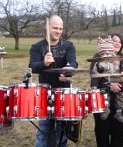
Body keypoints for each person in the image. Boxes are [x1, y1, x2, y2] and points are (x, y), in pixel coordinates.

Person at [29, 15, 78, 147]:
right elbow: (32, 66)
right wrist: (44, 63)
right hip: (45, 92)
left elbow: (73, 62)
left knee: (62, 129)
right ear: (47, 27)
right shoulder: (37, 47)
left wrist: (67, 72)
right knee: (44, 128)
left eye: (60, 28)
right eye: (55, 28)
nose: (58, 31)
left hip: (64, 92)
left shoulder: (68, 45)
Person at [90, 33, 123, 147]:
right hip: (102, 101)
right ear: (109, 43)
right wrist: (102, 86)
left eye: (119, 42)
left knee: (118, 134)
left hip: (121, 101)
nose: (117, 43)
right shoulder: (98, 57)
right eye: (114, 40)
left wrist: (119, 85)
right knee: (101, 133)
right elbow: (94, 75)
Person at [91, 35, 123, 122]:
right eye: (103, 53)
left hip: (118, 81)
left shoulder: (120, 59)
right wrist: (94, 86)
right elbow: (95, 73)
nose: (106, 55)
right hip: (106, 84)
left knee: (121, 97)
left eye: (119, 42)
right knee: (104, 96)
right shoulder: (99, 61)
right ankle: (106, 110)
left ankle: (119, 112)